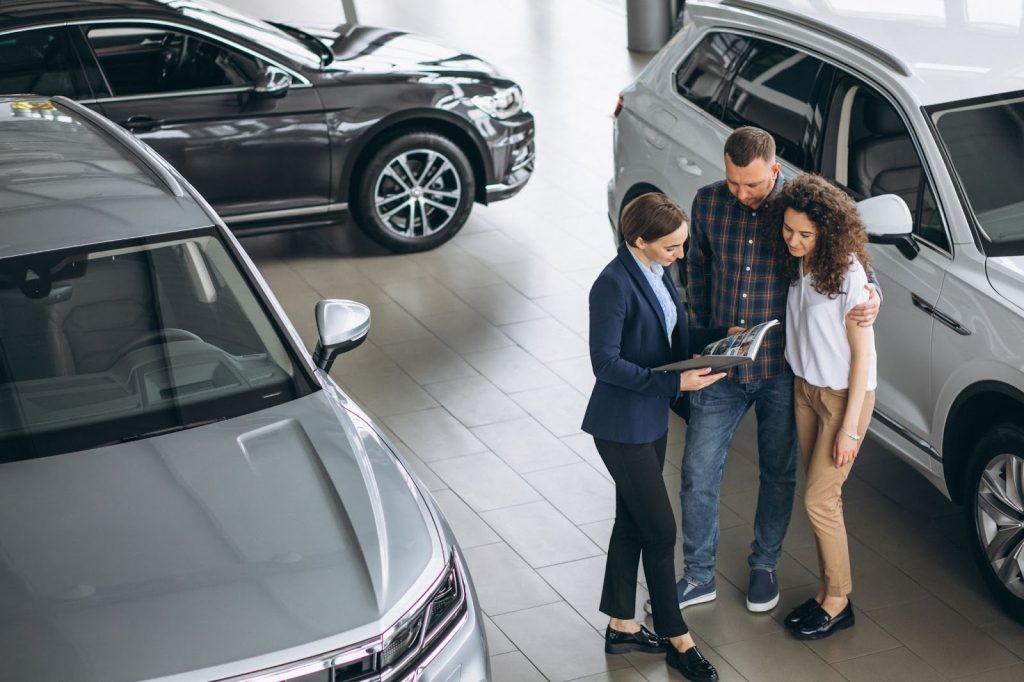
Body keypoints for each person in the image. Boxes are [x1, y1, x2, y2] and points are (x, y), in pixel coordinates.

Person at [672, 127, 880, 615]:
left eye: (752, 185)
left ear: (774, 170)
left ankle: (764, 566)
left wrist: (873, 296)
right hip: (722, 364)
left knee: (780, 473)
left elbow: (850, 264)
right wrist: (709, 331)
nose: (741, 193)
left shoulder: (798, 211)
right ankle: (698, 574)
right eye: (732, 183)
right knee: (698, 471)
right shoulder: (707, 203)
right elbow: (696, 269)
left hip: (781, 370)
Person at [582, 192, 737, 681]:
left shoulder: (656, 271)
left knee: (632, 521)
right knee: (661, 529)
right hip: (621, 427)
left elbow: (669, 336)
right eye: (672, 248)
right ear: (640, 240)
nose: (681, 256)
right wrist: (675, 383)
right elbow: (605, 364)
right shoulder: (611, 285)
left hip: (650, 419)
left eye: (682, 246)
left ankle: (623, 625)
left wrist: (719, 335)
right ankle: (678, 637)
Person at [765, 173, 877, 638]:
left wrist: (850, 428)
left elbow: (863, 357)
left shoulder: (848, 274)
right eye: (788, 230)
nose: (793, 240)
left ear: (827, 233)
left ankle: (838, 600)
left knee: (818, 498)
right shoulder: (799, 263)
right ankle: (826, 592)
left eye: (805, 234)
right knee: (822, 501)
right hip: (805, 391)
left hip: (841, 399)